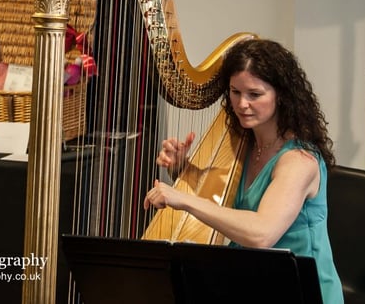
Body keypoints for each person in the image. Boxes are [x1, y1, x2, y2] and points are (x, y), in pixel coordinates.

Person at [144, 38, 344, 303]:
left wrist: (183, 199)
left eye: (254, 94)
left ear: (281, 95)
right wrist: (183, 167)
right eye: (235, 92)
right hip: (251, 280)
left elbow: (260, 234)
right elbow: (222, 198)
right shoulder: (244, 144)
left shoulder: (299, 161)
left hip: (301, 291)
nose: (241, 104)